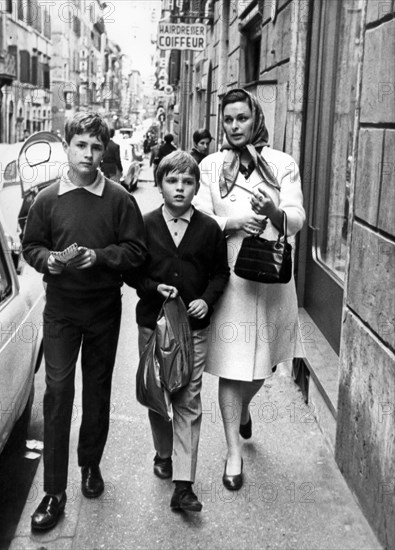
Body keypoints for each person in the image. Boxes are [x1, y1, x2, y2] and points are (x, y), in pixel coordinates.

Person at [22, 112, 147, 531]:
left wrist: (102, 257)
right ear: (67, 146)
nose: (88, 154)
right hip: (60, 309)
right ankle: (54, 490)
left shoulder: (119, 199)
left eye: (96, 147)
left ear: (104, 150)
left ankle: (90, 465)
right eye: (81, 145)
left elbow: (135, 251)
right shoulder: (46, 200)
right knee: (57, 393)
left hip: (103, 310)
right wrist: (50, 262)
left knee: (96, 391)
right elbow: (31, 246)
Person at [193, 88, 305, 491]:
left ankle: (243, 411)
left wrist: (273, 212)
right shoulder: (209, 166)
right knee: (230, 364)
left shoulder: (282, 163)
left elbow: (297, 216)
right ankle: (232, 452)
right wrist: (239, 221)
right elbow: (200, 218)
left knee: (266, 364)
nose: (235, 126)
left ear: (254, 119)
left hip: (273, 277)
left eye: (241, 118)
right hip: (231, 277)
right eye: (228, 119)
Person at [125, 150, 230, 512]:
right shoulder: (144, 225)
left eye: (187, 182)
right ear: (159, 185)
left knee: (188, 398)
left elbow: (221, 273)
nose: (180, 188)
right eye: (172, 181)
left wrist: (207, 300)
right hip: (152, 324)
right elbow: (132, 273)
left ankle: (183, 484)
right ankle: (163, 452)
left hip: (193, 328)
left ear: (197, 187)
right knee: (158, 392)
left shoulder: (209, 229)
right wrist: (154, 287)